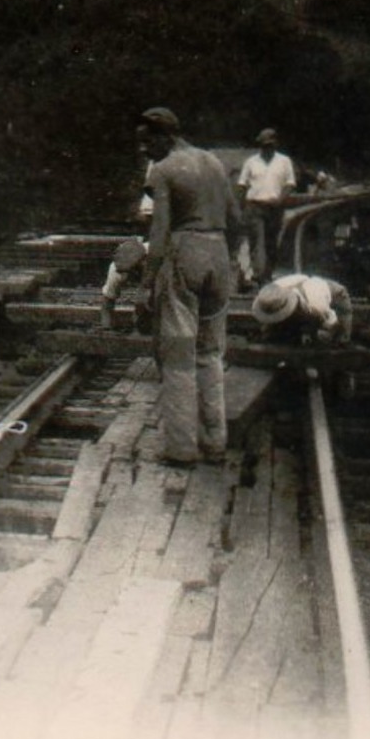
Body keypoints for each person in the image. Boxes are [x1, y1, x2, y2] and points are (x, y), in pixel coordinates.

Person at [139, 107, 244, 468]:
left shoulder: (165, 169)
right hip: (218, 252)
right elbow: (237, 219)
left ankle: (182, 449)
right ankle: (214, 442)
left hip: (186, 250)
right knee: (211, 352)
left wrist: (147, 283)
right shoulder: (214, 163)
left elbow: (159, 233)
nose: (143, 149)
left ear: (162, 136)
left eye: (146, 140)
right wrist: (229, 261)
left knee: (178, 353)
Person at [236, 128, 297, 286]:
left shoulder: (284, 161)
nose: (267, 149)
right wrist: (240, 208)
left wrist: (281, 199)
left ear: (275, 144)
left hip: (275, 207)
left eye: (270, 145)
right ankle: (259, 276)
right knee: (257, 241)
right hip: (255, 205)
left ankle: (267, 275)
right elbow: (242, 185)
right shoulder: (251, 162)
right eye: (264, 146)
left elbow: (290, 184)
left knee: (271, 242)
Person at [251, 273, 354, 346]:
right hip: (305, 286)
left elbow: (332, 325)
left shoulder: (316, 305)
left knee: (338, 340)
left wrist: (324, 333)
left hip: (334, 294)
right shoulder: (270, 294)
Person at [97, 237, 149, 330]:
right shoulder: (116, 269)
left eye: (131, 271)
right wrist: (106, 327)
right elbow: (107, 301)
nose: (128, 275)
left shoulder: (162, 256)